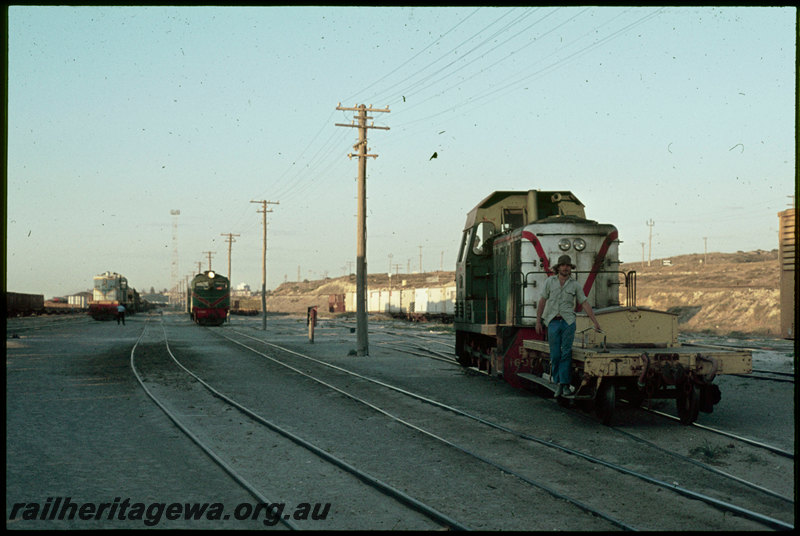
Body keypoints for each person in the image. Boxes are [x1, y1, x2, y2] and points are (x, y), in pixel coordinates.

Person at [535, 254, 601, 397]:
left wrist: (595, 321)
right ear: (558, 268)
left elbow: (584, 302)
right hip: (552, 321)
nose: (565, 268)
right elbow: (542, 301)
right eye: (563, 265)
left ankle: (563, 385)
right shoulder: (549, 282)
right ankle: (559, 381)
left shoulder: (575, 285)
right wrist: (538, 321)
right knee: (555, 354)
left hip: (568, 322)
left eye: (568, 266)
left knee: (566, 353)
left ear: (571, 269)